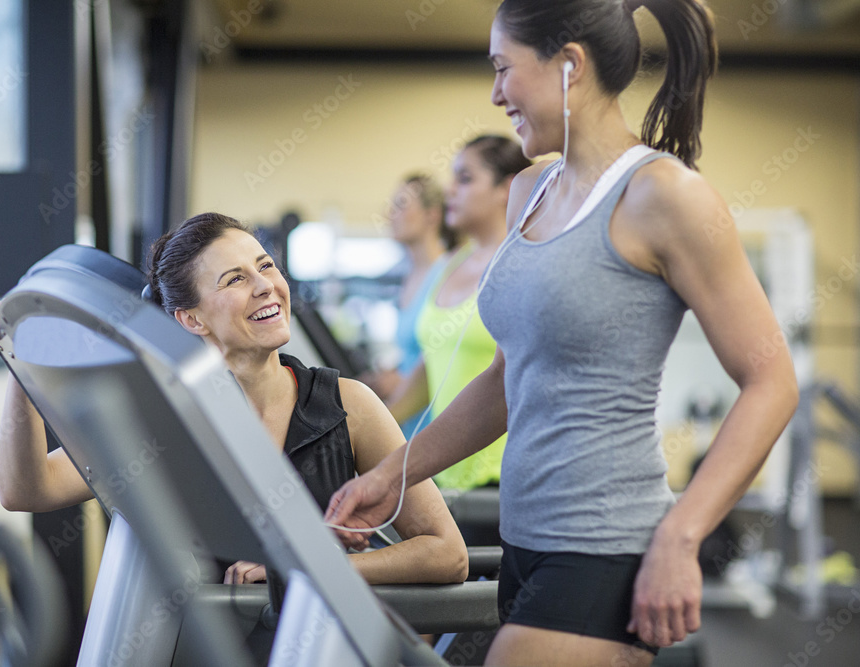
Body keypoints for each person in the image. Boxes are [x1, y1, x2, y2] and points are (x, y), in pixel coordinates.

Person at [325, 1, 799, 666]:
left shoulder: (663, 195)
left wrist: (681, 535)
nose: (496, 94)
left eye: (504, 68)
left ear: (569, 64)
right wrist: (391, 476)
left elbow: (771, 381)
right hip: (524, 541)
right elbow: (505, 379)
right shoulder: (529, 191)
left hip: (606, 545)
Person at [0, 212, 468, 587]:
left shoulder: (350, 404)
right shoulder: (157, 418)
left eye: (265, 266)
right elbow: (28, 491)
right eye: (235, 279)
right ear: (190, 319)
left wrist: (305, 568)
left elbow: (447, 553)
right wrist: (21, 360)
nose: (265, 286)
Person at [387, 136, 530, 496]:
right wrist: (369, 426)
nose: (450, 190)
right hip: (443, 475)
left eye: (465, 179)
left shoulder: (524, 264)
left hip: (502, 478)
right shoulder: (450, 264)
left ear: (507, 188)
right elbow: (431, 364)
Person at [363, 173, 453, 440]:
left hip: (436, 422)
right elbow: (416, 352)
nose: (390, 214)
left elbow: (448, 355)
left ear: (432, 215)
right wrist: (393, 374)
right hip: (408, 425)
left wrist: (402, 385)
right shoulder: (409, 276)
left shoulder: (449, 274)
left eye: (401, 204)